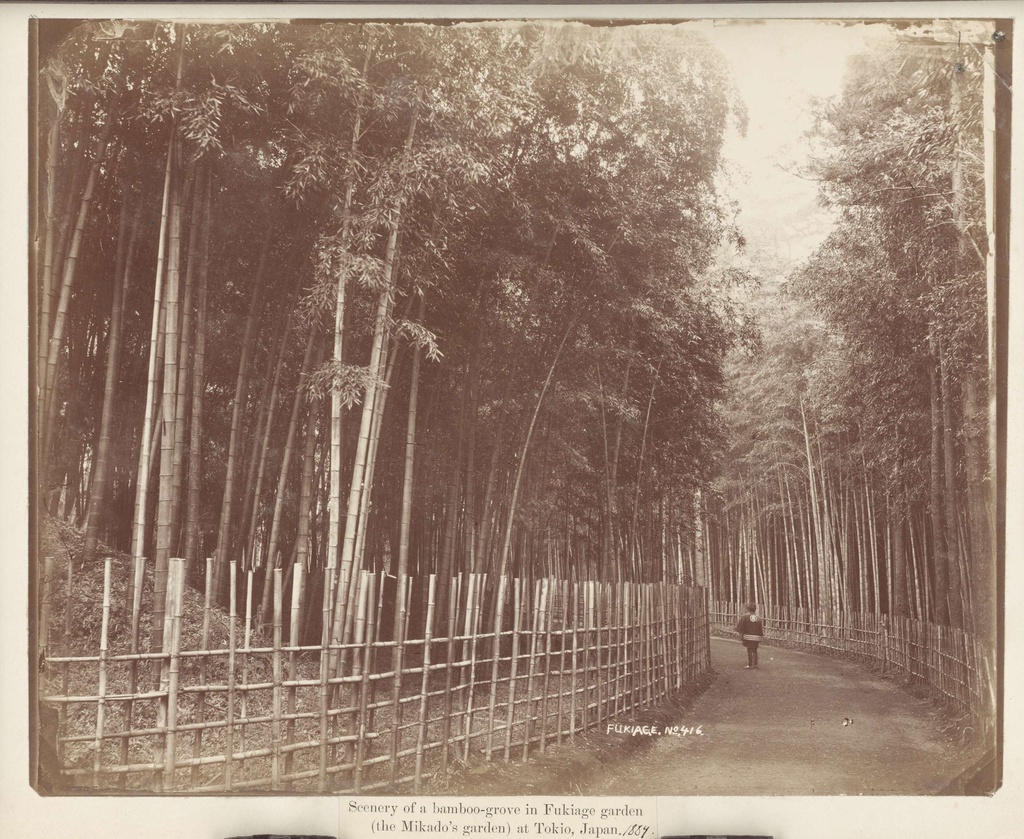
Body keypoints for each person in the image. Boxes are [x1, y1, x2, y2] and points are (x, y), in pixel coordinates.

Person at [735, 603, 764, 668]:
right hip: (756, 637)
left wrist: (741, 635)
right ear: (755, 609)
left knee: (749, 650)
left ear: (748, 609)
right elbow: (760, 628)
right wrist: (761, 636)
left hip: (748, 636)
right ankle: (755, 664)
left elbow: (740, 627)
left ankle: (750, 664)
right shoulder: (758, 618)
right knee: (755, 649)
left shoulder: (745, 616)